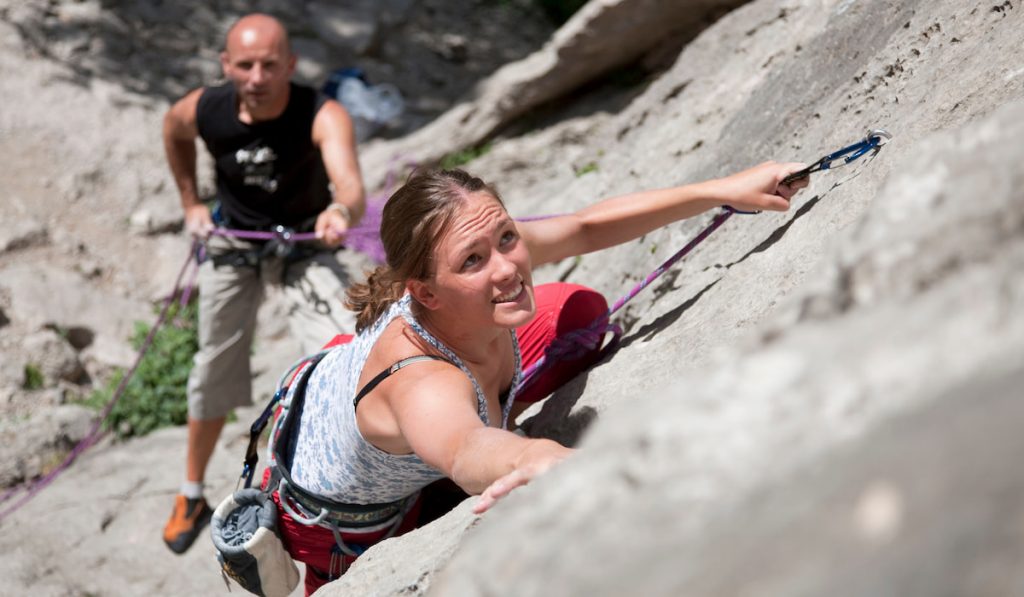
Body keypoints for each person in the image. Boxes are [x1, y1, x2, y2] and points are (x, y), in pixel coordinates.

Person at [262, 164, 808, 594]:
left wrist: (724, 189)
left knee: (579, 311)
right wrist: (533, 458)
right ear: (424, 292)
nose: (505, 268)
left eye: (505, 237)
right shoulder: (421, 383)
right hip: (338, 522)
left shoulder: (477, 251)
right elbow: (465, 446)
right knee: (476, 429)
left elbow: (586, 225)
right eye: (473, 261)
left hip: (394, 383)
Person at [160, 13, 366, 554]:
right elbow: (173, 130)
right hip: (234, 238)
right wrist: (189, 202)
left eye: (269, 64)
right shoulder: (205, 108)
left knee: (341, 350)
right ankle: (191, 492)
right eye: (245, 65)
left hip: (305, 240)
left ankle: (349, 477)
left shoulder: (321, 112)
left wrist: (341, 209)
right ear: (226, 65)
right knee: (212, 366)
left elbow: (349, 181)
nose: (257, 76)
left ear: (290, 65)